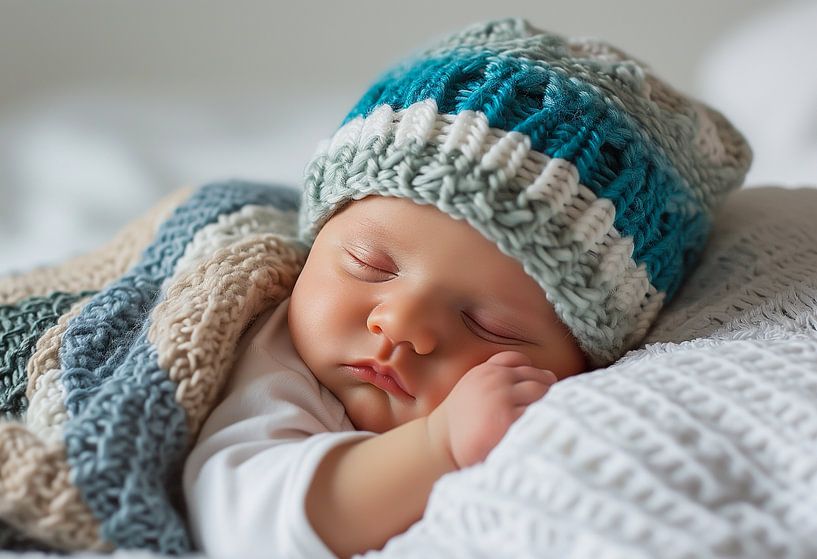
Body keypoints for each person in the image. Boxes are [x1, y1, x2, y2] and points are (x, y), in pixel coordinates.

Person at [182, 18, 751, 559]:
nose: (401, 324)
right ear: (319, 234)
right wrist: (436, 444)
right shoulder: (276, 359)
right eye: (368, 264)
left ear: (583, 362)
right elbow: (240, 517)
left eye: (488, 325)